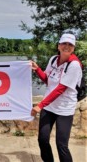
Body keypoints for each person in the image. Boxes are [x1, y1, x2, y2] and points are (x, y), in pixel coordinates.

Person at [31, 33, 82, 162]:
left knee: (62, 145)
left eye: (70, 44)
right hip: (49, 107)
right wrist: (37, 70)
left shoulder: (74, 65)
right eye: (64, 43)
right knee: (42, 139)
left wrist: (40, 105)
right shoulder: (53, 59)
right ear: (58, 46)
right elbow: (48, 81)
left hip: (64, 109)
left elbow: (60, 89)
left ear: (73, 48)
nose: (67, 46)